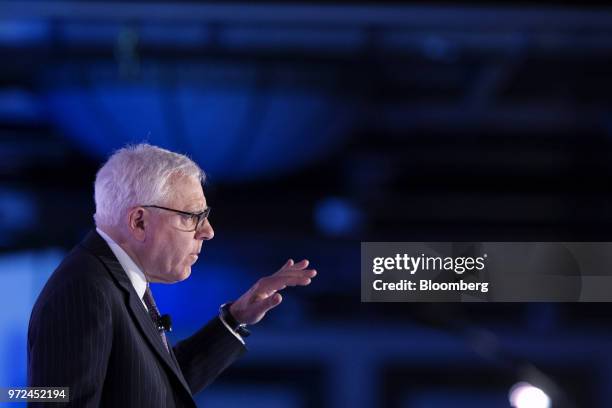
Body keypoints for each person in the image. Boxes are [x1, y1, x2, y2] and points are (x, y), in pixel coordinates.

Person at [27, 144, 317, 407]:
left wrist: (235, 318)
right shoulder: (84, 291)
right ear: (139, 221)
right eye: (191, 216)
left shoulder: (114, 281)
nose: (208, 231)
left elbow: (157, 388)